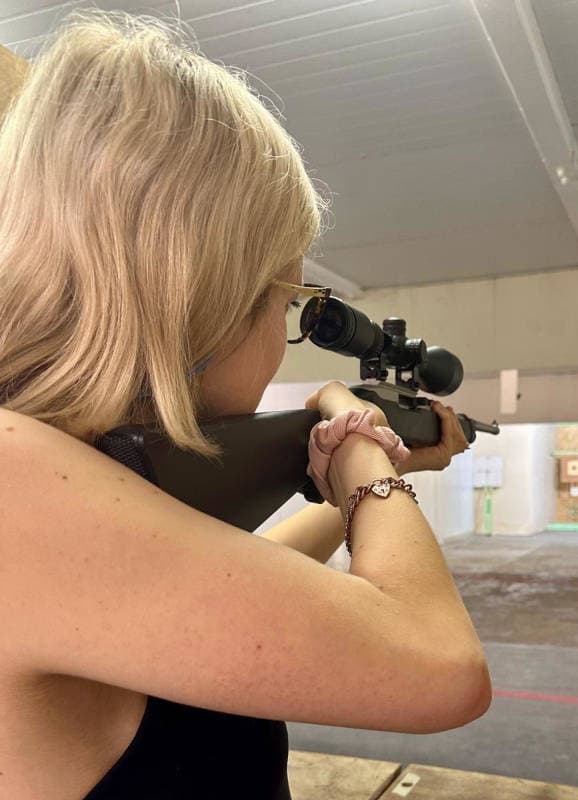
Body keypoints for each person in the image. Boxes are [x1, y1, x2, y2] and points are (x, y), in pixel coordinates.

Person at [0, 10, 492, 800]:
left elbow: (242, 599)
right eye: (287, 303)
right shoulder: (14, 474)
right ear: (207, 296)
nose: (279, 337)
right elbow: (441, 666)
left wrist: (355, 473)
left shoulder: (58, 467)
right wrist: (365, 450)